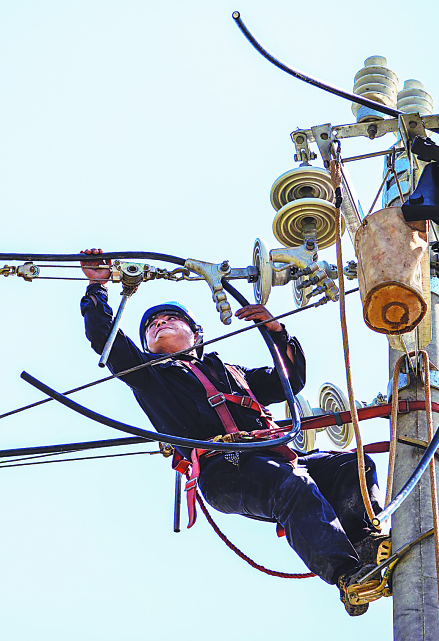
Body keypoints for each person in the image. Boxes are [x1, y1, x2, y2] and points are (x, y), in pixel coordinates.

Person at [79, 248, 386, 615]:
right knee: (292, 487)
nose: (159, 323)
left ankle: (368, 548)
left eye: (171, 319)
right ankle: (349, 576)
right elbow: (105, 338)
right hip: (224, 470)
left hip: (276, 456)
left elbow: (291, 381)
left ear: (196, 334)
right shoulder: (149, 376)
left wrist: (276, 331)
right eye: (152, 325)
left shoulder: (233, 373)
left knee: (353, 466)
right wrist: (97, 288)